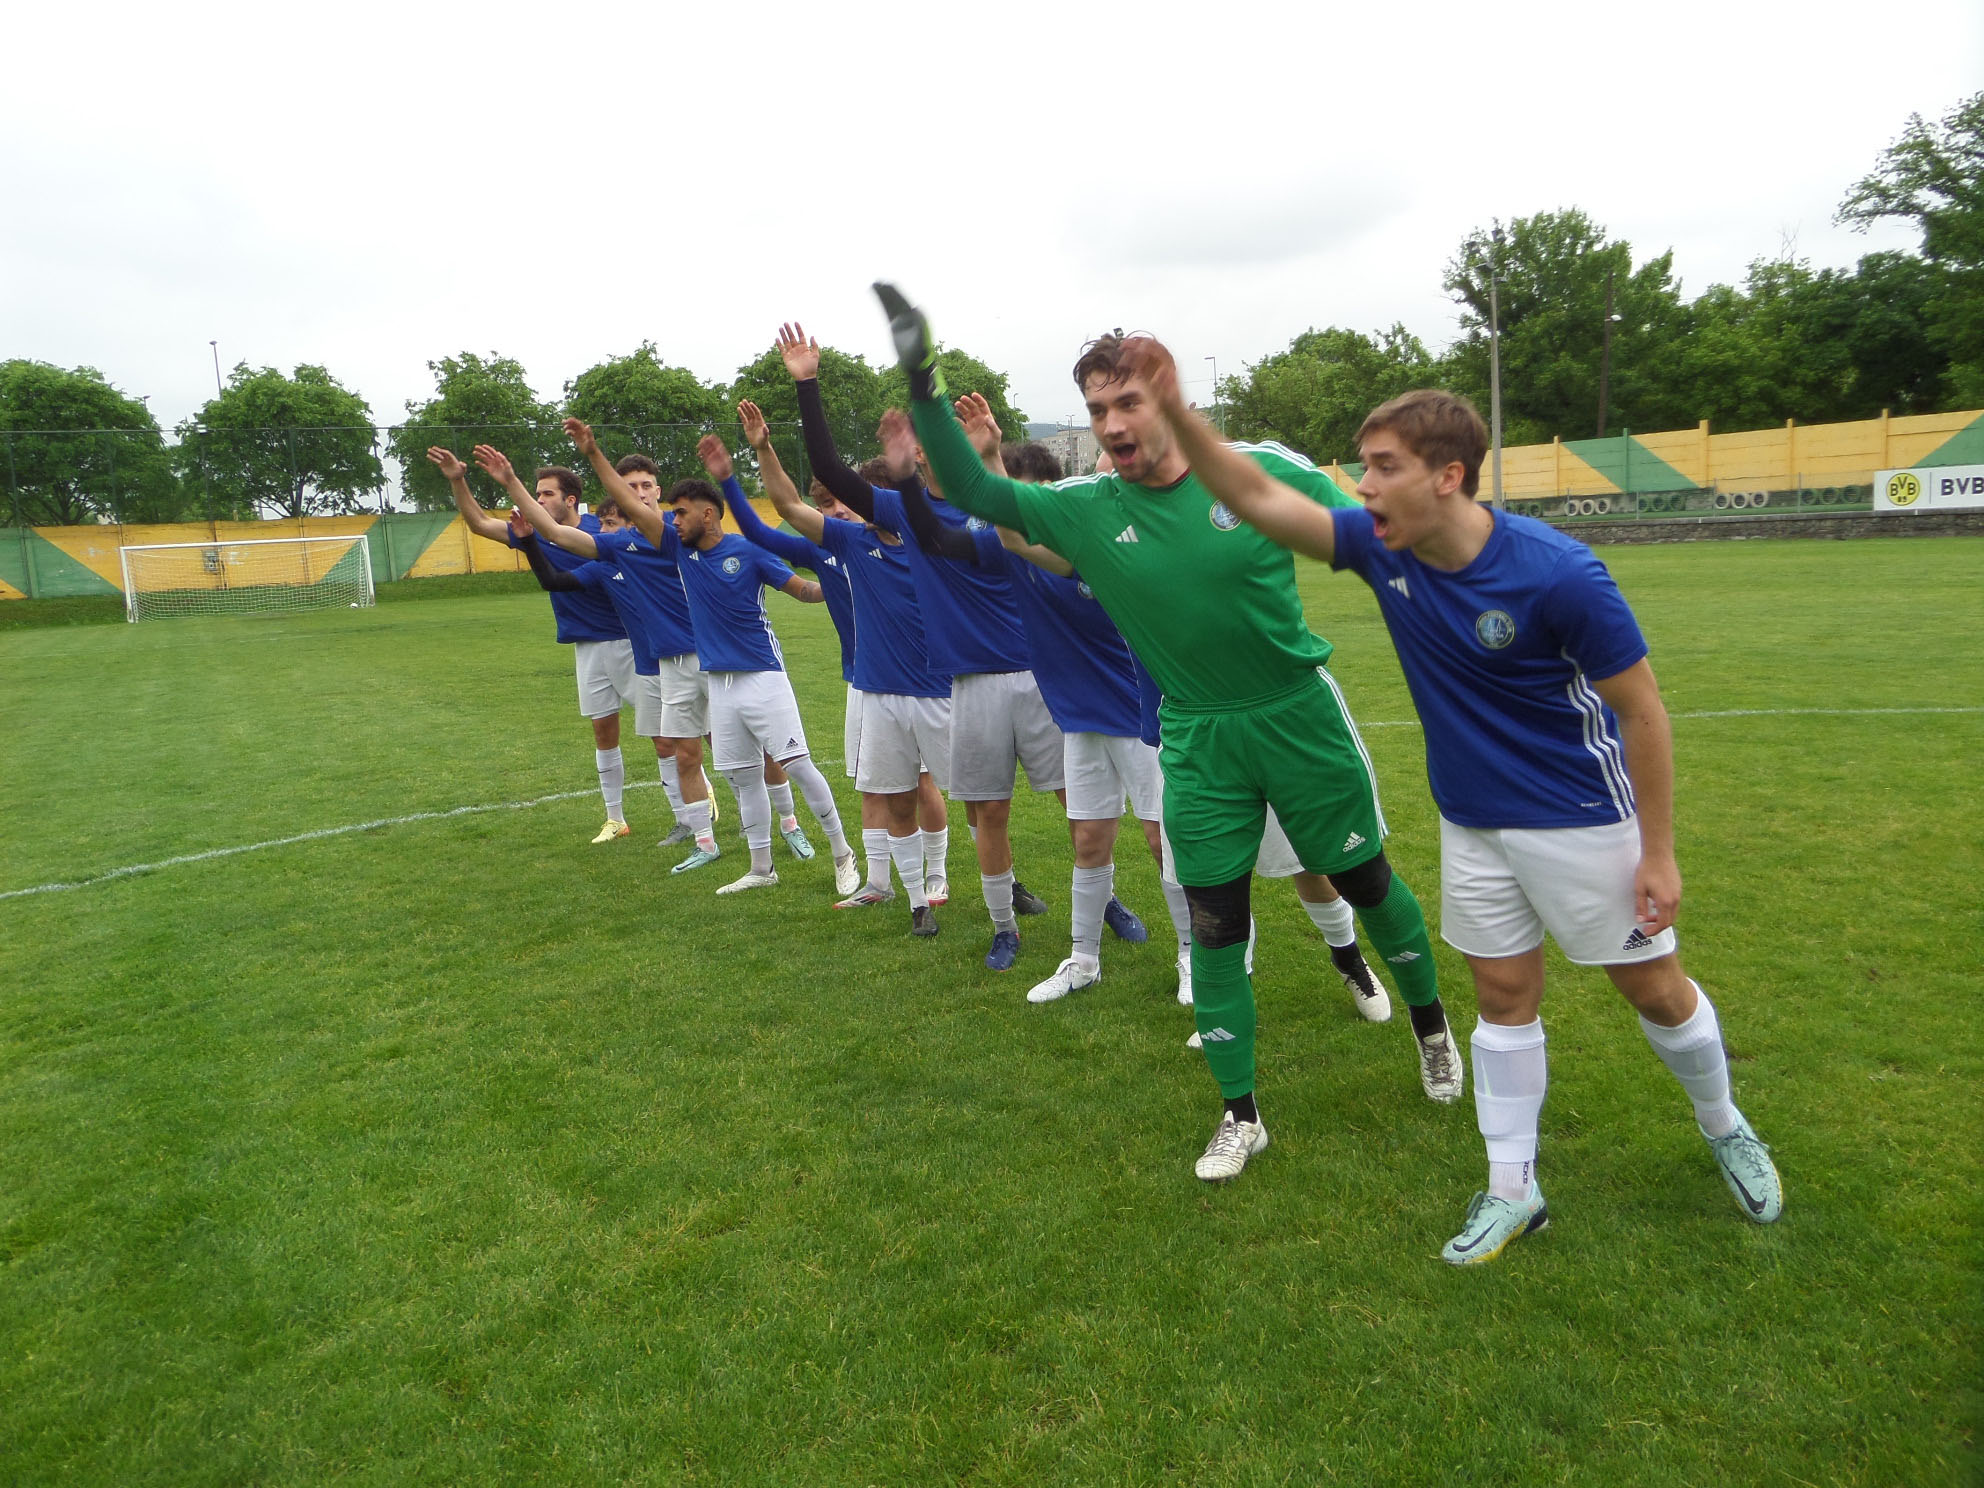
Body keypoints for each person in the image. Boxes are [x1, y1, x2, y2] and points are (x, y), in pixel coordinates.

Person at [1140, 367, 1784, 1260]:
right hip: (1471, 824)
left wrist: (1659, 851)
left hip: (1579, 818)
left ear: (1448, 475)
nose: (1363, 485)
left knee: (1654, 988)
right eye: (1364, 466)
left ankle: (1724, 1125)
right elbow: (1255, 497)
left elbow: (1642, 711)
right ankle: (1513, 1190)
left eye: (1383, 466)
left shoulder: (1560, 574)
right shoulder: (1384, 549)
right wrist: (1173, 413)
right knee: (1503, 998)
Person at [875, 285, 1454, 1183]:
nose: (1111, 422)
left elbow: (1376, 530)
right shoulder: (1086, 507)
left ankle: (1432, 1027)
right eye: (1097, 407)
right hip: (1193, 734)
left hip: (1297, 715)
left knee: (1365, 880)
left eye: (1128, 401)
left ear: (1168, 399)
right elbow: (976, 492)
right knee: (1215, 922)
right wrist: (923, 379)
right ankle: (1240, 1115)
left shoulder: (1255, 467)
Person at [778, 324, 1060, 972]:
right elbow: (828, 472)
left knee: (1050, 805)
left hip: (1013, 677)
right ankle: (959, 914)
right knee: (962, 805)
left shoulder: (994, 503)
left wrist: (991, 455)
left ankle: (1084, 900)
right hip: (940, 684)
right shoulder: (901, 512)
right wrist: (807, 385)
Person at [889, 404, 1173, 1003]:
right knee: (1074, 833)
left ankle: (1196, 954)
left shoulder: (1108, 544)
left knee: (1160, 837)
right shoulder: (1012, 549)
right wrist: (965, 461)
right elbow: (948, 536)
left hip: (1138, 712)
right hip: (1073, 715)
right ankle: (1051, 946)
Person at [510, 465, 860, 899]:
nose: (672, 520)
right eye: (671, 514)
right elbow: (579, 527)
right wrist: (575, 459)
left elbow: (802, 591)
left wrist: (842, 582)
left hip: (763, 675)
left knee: (797, 765)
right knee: (744, 777)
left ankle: (843, 854)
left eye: (680, 513)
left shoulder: (747, 551)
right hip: (720, 684)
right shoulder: (679, 551)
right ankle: (761, 867)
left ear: (707, 514)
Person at [700, 414, 941, 936]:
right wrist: (741, 470)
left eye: (845, 500)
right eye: (828, 503)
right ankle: (881, 882)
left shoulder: (918, 542)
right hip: (866, 682)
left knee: (934, 785)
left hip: (928, 682)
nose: (838, 510)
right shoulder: (833, 546)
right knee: (876, 784)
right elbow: (766, 526)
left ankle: (941, 877)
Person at [429, 446, 650, 843]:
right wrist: (458, 480)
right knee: (604, 733)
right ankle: (615, 819)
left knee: (666, 730)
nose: (539, 499)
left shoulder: (602, 530)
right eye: (537, 493)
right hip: (586, 646)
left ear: (571, 500)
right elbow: (479, 523)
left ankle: (698, 798)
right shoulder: (531, 533)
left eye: (547, 493)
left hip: (629, 641)